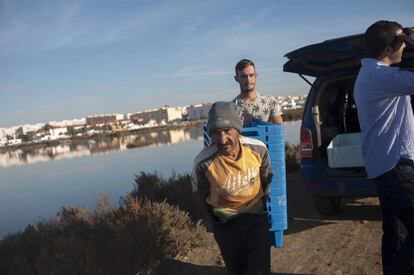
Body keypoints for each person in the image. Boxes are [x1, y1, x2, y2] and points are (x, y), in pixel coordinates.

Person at [354, 20, 414, 275]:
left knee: (396, 230)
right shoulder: (380, 76)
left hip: (385, 166)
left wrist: (404, 38)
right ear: (389, 48)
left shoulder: (372, 74)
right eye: (402, 43)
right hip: (395, 165)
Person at [191, 101, 273, 274]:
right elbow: (201, 196)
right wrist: (216, 220)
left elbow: (266, 180)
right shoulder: (202, 164)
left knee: (260, 269)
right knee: (237, 270)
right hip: (226, 224)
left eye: (227, 131)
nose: (222, 139)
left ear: (237, 128)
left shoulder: (258, 150)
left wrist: (259, 206)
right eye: (215, 133)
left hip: (256, 217)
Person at [233, 59, 283, 126]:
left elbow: (279, 130)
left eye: (251, 75)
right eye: (243, 76)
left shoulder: (270, 100)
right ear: (236, 78)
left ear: (256, 76)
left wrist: (256, 121)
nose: (248, 80)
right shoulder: (232, 107)